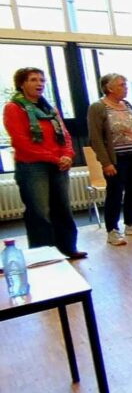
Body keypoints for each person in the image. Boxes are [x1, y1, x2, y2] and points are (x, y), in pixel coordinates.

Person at [3, 67, 86, 259]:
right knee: (39, 213)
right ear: (21, 84)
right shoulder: (14, 108)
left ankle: (68, 248)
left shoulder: (50, 109)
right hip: (32, 166)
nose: (39, 83)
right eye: (33, 80)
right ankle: (44, 255)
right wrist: (55, 158)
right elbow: (21, 141)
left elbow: (65, 135)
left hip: (59, 165)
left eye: (42, 80)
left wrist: (68, 154)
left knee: (62, 209)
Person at [87, 72, 132, 246]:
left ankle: (131, 223)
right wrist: (106, 162)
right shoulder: (98, 107)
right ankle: (112, 230)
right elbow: (95, 138)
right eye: (122, 85)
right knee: (115, 192)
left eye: (125, 84)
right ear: (109, 88)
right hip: (116, 158)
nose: (126, 88)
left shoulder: (127, 105)